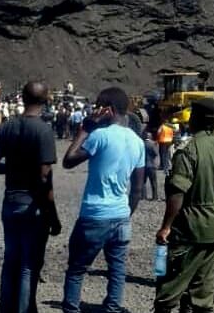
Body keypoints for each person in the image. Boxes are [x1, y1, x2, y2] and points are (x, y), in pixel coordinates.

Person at [60, 87, 145, 313]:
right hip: (121, 215)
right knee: (117, 270)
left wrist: (86, 128)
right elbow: (137, 189)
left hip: (95, 214)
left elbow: (68, 160)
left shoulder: (99, 136)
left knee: (77, 269)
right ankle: (113, 309)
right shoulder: (138, 142)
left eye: (98, 107)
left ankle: (71, 309)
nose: (95, 111)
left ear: (107, 110)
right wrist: (126, 212)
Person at [154, 98, 214, 313]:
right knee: (203, 292)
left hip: (191, 228)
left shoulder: (188, 150)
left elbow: (177, 193)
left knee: (169, 288)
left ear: (195, 119)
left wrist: (166, 226)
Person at [0, 82, 61, 313]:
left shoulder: (7, 126)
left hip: (10, 202)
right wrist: (53, 216)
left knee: (11, 261)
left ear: (21, 97)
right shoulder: (44, 130)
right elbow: (44, 178)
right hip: (33, 206)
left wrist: (14, 170)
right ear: (46, 99)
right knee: (29, 266)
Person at [143, 131, 160, 201]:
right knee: (153, 182)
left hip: (144, 165)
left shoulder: (142, 144)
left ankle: (143, 196)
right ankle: (154, 197)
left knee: (143, 182)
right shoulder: (153, 144)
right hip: (152, 165)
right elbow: (156, 153)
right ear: (150, 137)